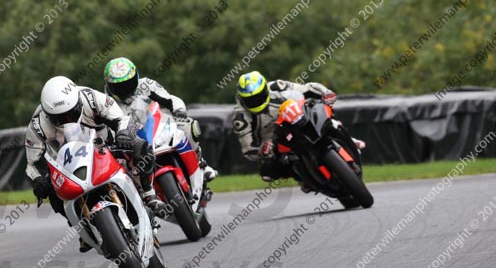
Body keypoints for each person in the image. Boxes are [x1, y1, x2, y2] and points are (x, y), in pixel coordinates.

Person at [25, 76, 165, 251]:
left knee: (139, 146)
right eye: (59, 117)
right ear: (48, 113)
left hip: (104, 144)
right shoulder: (38, 124)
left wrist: (122, 133)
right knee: (52, 191)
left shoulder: (92, 98)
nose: (67, 119)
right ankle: (82, 227)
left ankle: (149, 194)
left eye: (71, 112)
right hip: (68, 162)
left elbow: (121, 118)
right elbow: (32, 162)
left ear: (77, 102)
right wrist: (38, 179)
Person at [233, 71, 362, 185]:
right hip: (274, 142)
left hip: (293, 119)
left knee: (319, 107)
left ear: (265, 89)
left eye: (258, 96)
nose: (255, 102)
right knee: (267, 172)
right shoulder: (240, 117)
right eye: (250, 100)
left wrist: (325, 93)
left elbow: (305, 88)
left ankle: (341, 134)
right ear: (242, 98)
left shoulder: (276, 86)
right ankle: (302, 177)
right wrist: (261, 150)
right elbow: (247, 149)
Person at [102, 57, 217, 181]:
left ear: (136, 77)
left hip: (155, 125)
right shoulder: (105, 102)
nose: (124, 90)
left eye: (128, 84)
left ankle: (201, 164)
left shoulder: (146, 85)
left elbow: (170, 98)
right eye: (118, 87)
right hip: (131, 143)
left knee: (187, 125)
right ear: (108, 85)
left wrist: (179, 110)